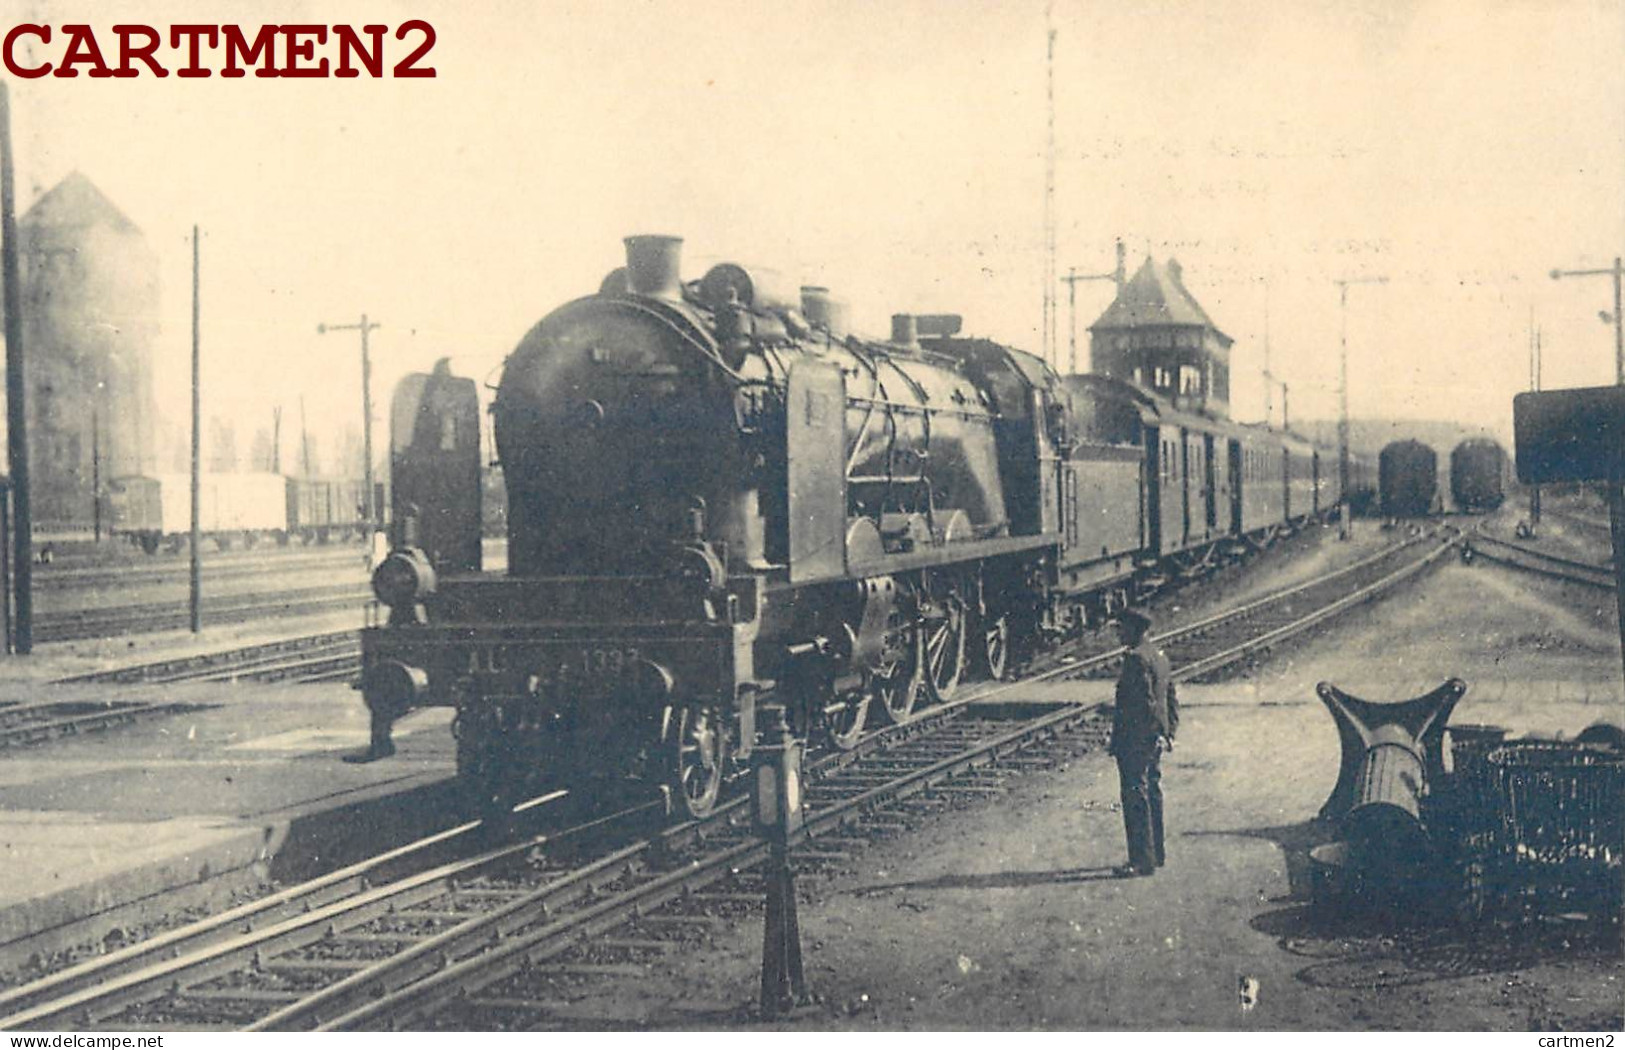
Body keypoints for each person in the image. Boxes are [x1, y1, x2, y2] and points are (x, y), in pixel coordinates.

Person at [1107, 607, 1178, 877]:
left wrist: (1144, 734)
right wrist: (1167, 732)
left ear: (1135, 630)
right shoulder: (1159, 656)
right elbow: (1171, 697)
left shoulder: (1136, 659)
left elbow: (1146, 703)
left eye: (1121, 628)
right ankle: (1156, 853)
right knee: (1152, 792)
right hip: (1153, 738)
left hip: (1136, 739)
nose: (1118, 633)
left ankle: (1140, 861)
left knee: (1135, 795)